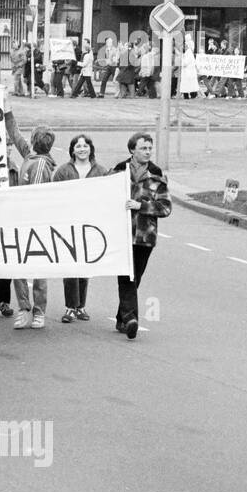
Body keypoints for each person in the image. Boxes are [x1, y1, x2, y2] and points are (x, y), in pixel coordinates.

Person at [113, 132, 172, 339]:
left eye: (149, 148)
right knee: (126, 276)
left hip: (145, 236)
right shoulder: (120, 170)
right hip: (122, 234)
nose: (147, 152)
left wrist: (142, 205)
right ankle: (131, 319)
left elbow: (165, 208)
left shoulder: (156, 173)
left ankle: (122, 318)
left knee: (135, 277)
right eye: (143, 148)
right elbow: (106, 197)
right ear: (132, 150)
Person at [5, 112, 56, 329]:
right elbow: (15, 135)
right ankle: (26, 308)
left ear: (34, 141)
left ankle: (37, 310)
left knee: (36, 267)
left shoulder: (41, 165)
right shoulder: (30, 157)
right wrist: (8, 112)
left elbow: (33, 196)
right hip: (22, 219)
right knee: (20, 265)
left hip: (33, 221)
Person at [52, 135, 108, 322]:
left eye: (85, 146)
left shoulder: (101, 171)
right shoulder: (63, 171)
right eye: (78, 146)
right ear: (72, 150)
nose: (82, 149)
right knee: (70, 268)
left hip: (91, 226)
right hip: (69, 225)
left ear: (91, 149)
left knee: (85, 267)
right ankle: (70, 307)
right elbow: (55, 197)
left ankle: (81, 306)